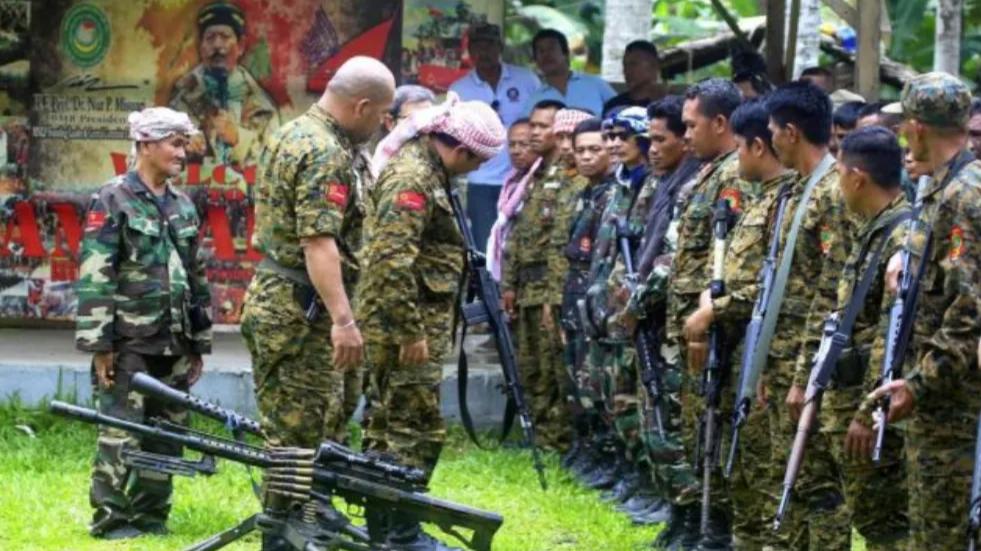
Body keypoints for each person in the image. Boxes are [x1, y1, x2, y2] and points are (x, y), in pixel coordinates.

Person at [359, 96, 505, 550]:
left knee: (389, 426)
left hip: (412, 324)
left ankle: (384, 527)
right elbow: (389, 262)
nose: (476, 169)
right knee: (412, 429)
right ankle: (400, 535)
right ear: (462, 150)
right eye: (478, 161)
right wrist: (410, 332)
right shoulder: (414, 178)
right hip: (404, 330)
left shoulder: (430, 173)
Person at [242, 56, 394, 454]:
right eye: (380, 113)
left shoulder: (291, 132)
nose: (381, 123)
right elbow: (318, 243)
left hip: (288, 298)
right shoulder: (325, 151)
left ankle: (312, 508)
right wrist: (344, 320)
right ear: (362, 106)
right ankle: (287, 514)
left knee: (319, 421)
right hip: (299, 308)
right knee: (297, 432)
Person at [77, 107, 212, 539]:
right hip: (129, 342)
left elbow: (197, 275)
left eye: (183, 143)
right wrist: (100, 345)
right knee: (121, 433)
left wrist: (199, 341)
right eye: (174, 143)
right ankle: (112, 518)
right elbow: (97, 273)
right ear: (146, 145)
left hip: (174, 340)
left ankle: (152, 514)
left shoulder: (183, 205)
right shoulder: (111, 198)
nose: (182, 153)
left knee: (168, 433)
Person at [866, 72, 981, 551]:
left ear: (915, 127)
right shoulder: (938, 189)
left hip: (955, 407)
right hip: (935, 405)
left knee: (945, 537)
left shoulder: (965, 196)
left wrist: (918, 382)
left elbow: (969, 311)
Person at [684, 97, 797, 550]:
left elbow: (775, 289)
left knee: (763, 475)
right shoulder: (759, 200)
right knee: (741, 472)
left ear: (756, 146)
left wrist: (713, 310)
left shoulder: (787, 202)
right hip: (736, 354)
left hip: (766, 359)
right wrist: (707, 303)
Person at [764, 80, 853, 550]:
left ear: (791, 132)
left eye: (774, 130)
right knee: (789, 477)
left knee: (819, 482)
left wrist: (806, 377)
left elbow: (829, 295)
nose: (770, 138)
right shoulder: (797, 189)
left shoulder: (831, 192)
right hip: (782, 359)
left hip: (810, 364)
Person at [669, 77, 754, 549]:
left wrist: (707, 321)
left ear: (720, 123)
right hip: (690, 325)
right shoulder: (706, 171)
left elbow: (727, 262)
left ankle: (714, 529)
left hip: (712, 327)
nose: (685, 135)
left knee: (711, 429)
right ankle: (696, 522)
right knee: (692, 425)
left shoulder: (732, 177)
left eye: (691, 124)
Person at [818, 126, 911, 549]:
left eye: (839, 172)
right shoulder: (873, 227)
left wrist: (868, 410)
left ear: (857, 177)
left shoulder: (901, 234)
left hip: (874, 406)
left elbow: (890, 338)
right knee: (872, 520)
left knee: (887, 522)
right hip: (854, 392)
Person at [501, 99, 579, 450]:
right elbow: (519, 237)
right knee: (530, 365)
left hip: (549, 286)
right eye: (532, 125)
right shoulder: (535, 176)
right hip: (526, 286)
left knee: (552, 367)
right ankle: (538, 433)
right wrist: (509, 285)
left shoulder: (570, 179)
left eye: (543, 127)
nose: (535, 132)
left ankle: (555, 439)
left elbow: (559, 244)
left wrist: (552, 296)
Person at [449, 23, 541, 251]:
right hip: (480, 181)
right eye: (477, 46)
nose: (484, 52)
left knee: (523, 246)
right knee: (485, 247)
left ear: (500, 47)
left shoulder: (526, 80)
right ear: (469, 52)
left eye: (489, 45)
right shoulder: (460, 89)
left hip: (523, 177)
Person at [169, 1, 280, 167]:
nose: (217, 46)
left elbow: (274, 162)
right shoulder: (181, 99)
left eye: (225, 37)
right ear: (201, 46)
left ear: (241, 45)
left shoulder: (262, 107)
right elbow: (159, 155)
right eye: (210, 38)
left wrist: (238, 139)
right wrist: (185, 146)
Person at [486, 118, 538, 282]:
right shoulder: (511, 182)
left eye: (523, 144)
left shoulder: (540, 181)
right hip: (511, 271)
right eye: (512, 144)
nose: (516, 151)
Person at [527, 29, 616, 117]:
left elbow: (620, 112)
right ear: (535, 60)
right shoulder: (535, 100)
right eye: (541, 51)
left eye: (551, 48)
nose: (546, 55)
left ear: (566, 54)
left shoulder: (595, 84)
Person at [603, 40, 666, 116]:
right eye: (625, 65)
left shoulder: (669, 106)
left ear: (654, 65)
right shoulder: (613, 106)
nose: (627, 70)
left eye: (633, 64)